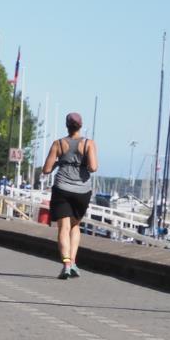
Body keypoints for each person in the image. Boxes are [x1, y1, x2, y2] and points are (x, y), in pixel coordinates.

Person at [40, 112, 98, 280]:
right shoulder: (88, 143)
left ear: (66, 125)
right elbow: (93, 167)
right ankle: (73, 262)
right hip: (82, 191)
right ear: (81, 126)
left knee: (63, 227)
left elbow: (46, 169)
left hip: (62, 188)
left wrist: (59, 162)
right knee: (75, 226)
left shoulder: (58, 144)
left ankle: (66, 263)